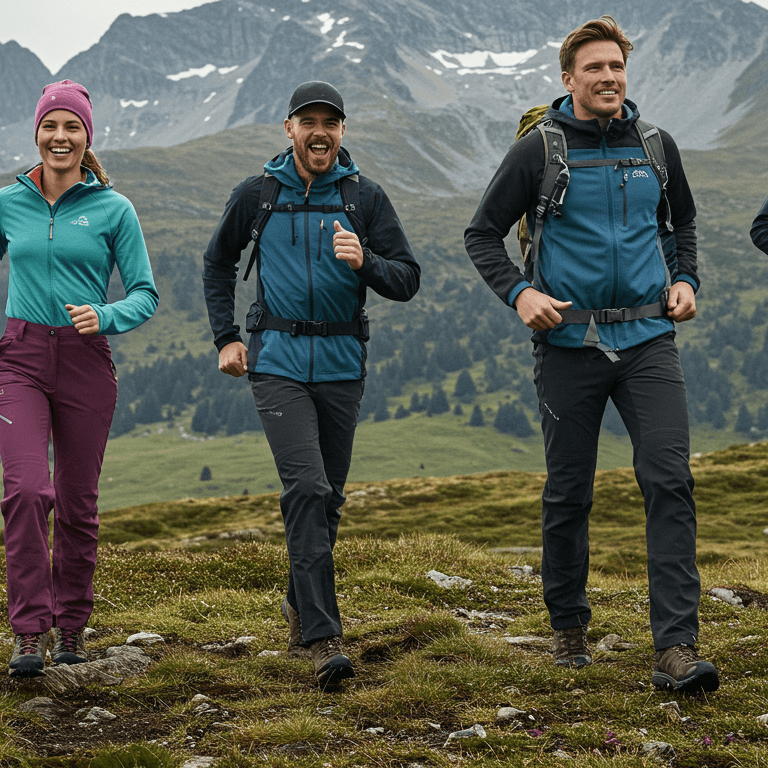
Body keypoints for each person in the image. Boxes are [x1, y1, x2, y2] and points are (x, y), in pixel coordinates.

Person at [465, 17, 719, 693]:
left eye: (617, 67)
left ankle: (676, 648)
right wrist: (519, 294)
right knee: (569, 492)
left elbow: (681, 223)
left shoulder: (655, 146)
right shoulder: (538, 151)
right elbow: (482, 233)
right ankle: (569, 625)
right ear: (568, 78)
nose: (608, 78)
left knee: (669, 480)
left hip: (646, 341)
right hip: (568, 344)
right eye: (594, 69)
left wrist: (686, 279)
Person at [203, 81, 419, 686]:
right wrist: (227, 338)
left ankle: (299, 607)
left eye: (331, 123)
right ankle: (324, 637)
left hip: (343, 362)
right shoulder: (258, 193)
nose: (319, 132)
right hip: (276, 360)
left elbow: (407, 278)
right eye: (308, 122)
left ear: (342, 132)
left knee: (330, 499)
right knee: (305, 487)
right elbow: (218, 262)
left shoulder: (364, 198)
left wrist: (365, 263)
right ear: (288, 128)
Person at [0, 80, 159, 677]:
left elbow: (145, 292)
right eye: (50, 126)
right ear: (35, 133)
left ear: (87, 135)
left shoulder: (114, 210)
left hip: (87, 362)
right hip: (18, 358)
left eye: (72, 127)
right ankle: (29, 632)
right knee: (25, 491)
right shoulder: (7, 202)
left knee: (76, 504)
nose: (60, 137)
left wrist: (107, 316)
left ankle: (71, 628)